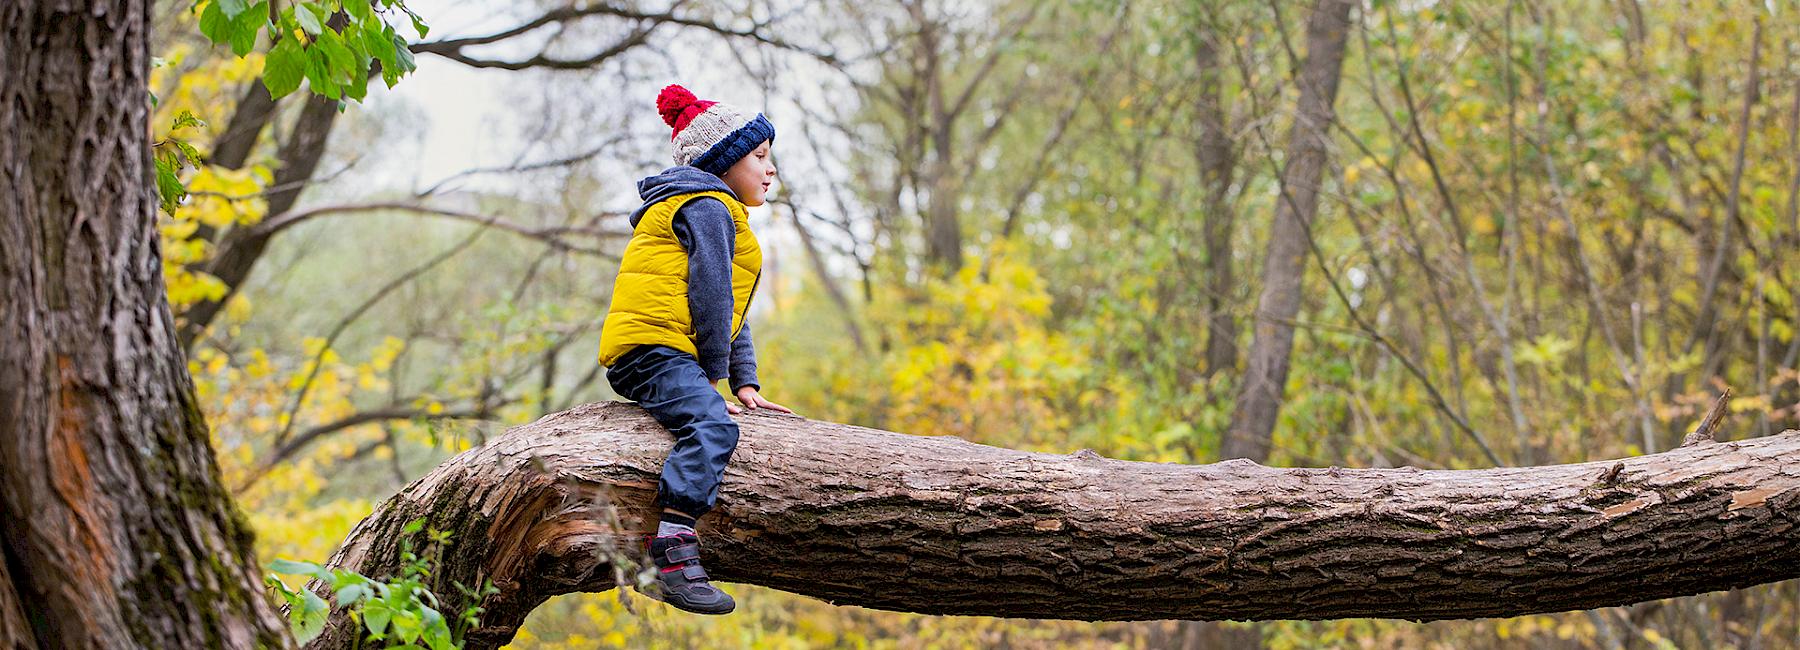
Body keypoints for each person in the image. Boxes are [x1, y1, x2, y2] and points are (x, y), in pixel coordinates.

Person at [598, 83, 795, 615]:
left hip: (667, 349)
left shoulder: (720, 212)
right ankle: (672, 553)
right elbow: (709, 296)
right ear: (723, 160)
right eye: (759, 156)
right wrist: (711, 377)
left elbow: (729, 310)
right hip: (651, 349)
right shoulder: (705, 206)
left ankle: (672, 548)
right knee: (712, 426)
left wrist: (744, 381)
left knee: (721, 415)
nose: (770, 169)